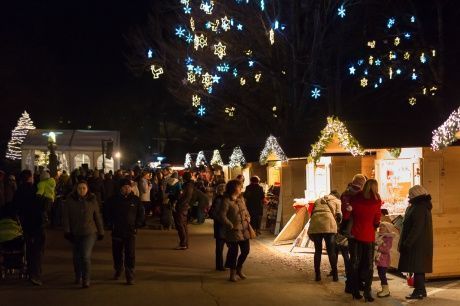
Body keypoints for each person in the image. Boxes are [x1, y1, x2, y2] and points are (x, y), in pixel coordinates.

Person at [62, 180, 104, 288]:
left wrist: (101, 231)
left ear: (87, 189)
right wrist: (67, 231)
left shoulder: (92, 200)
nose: (82, 190)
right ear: (76, 189)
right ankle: (78, 275)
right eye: (80, 188)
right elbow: (65, 217)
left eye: (84, 188)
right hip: (75, 232)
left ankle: (86, 279)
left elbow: (97, 216)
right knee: (76, 257)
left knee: (85, 256)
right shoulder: (69, 200)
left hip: (89, 232)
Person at [349, 179, 382, 302]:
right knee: (368, 265)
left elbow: (349, 215)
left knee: (355, 263)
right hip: (368, 236)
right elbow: (377, 218)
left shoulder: (356, 198)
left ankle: (355, 290)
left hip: (355, 234)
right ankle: (367, 292)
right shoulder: (376, 200)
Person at [398, 185, 433, 300]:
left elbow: (416, 228)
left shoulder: (419, 207)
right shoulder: (420, 206)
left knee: (417, 266)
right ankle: (421, 290)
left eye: (411, 194)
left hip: (416, 243)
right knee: (419, 267)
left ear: (416, 194)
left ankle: (418, 291)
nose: (409, 196)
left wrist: (407, 243)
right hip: (419, 243)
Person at [108, 179, 144, 285]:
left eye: (129, 186)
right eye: (124, 187)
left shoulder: (135, 200)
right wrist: (111, 224)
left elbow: (141, 213)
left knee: (130, 253)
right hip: (117, 231)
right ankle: (118, 269)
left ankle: (130, 274)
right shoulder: (113, 200)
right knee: (117, 253)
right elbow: (108, 213)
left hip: (130, 231)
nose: (127, 188)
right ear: (120, 188)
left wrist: (137, 225)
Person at [14, 170, 46, 286]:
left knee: (29, 249)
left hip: (24, 224)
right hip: (35, 224)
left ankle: (30, 271)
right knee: (36, 251)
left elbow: (15, 207)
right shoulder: (34, 190)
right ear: (30, 178)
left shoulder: (18, 191)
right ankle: (35, 275)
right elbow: (38, 208)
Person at [218, 180, 251, 282]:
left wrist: (248, 217)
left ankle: (238, 269)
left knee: (245, 250)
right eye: (239, 186)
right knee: (233, 252)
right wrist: (230, 224)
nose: (241, 188)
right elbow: (222, 215)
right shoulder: (226, 200)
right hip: (233, 231)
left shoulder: (241, 199)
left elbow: (246, 211)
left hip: (244, 229)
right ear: (233, 188)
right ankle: (232, 274)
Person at [339, 174, 366, 293]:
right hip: (355, 230)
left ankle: (352, 284)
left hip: (350, 230)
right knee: (356, 259)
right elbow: (347, 214)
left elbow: (345, 214)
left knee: (353, 258)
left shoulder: (346, 193)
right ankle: (353, 285)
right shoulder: (356, 194)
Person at [307, 191, 342, 282]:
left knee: (317, 251)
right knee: (331, 252)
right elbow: (339, 216)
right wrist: (338, 226)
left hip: (316, 223)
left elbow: (312, 214)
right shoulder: (337, 201)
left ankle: (317, 275)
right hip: (329, 224)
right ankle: (335, 276)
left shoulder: (318, 200)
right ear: (337, 196)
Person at [174, 172, 195, 250]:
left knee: (180, 225)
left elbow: (181, 195)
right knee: (184, 224)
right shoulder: (190, 185)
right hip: (185, 206)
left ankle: (183, 243)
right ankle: (185, 243)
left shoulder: (186, 186)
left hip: (182, 206)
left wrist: (177, 195)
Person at [375, 222, 395, 298]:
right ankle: (384, 289)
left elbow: (386, 250)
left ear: (388, 229)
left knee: (382, 275)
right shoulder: (380, 237)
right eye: (380, 226)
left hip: (384, 260)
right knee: (380, 274)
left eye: (383, 226)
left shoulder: (388, 238)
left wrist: (377, 248)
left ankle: (386, 290)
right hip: (380, 260)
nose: (381, 227)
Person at [209, 183, 226, 271]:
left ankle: (221, 265)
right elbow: (213, 213)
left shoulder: (220, 199)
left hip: (222, 227)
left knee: (221, 247)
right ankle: (220, 266)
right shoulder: (219, 200)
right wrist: (222, 220)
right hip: (221, 227)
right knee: (220, 247)